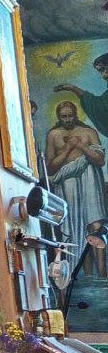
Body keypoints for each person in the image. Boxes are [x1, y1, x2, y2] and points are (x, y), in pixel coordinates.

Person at [44, 99, 107, 279]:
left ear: (75, 115)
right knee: (75, 227)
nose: (67, 119)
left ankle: (102, 275)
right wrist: (68, 148)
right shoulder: (53, 135)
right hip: (67, 182)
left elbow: (100, 160)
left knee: (95, 225)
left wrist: (80, 146)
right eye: (63, 117)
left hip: (90, 178)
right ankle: (83, 276)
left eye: (70, 116)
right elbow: (50, 168)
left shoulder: (88, 132)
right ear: (59, 117)